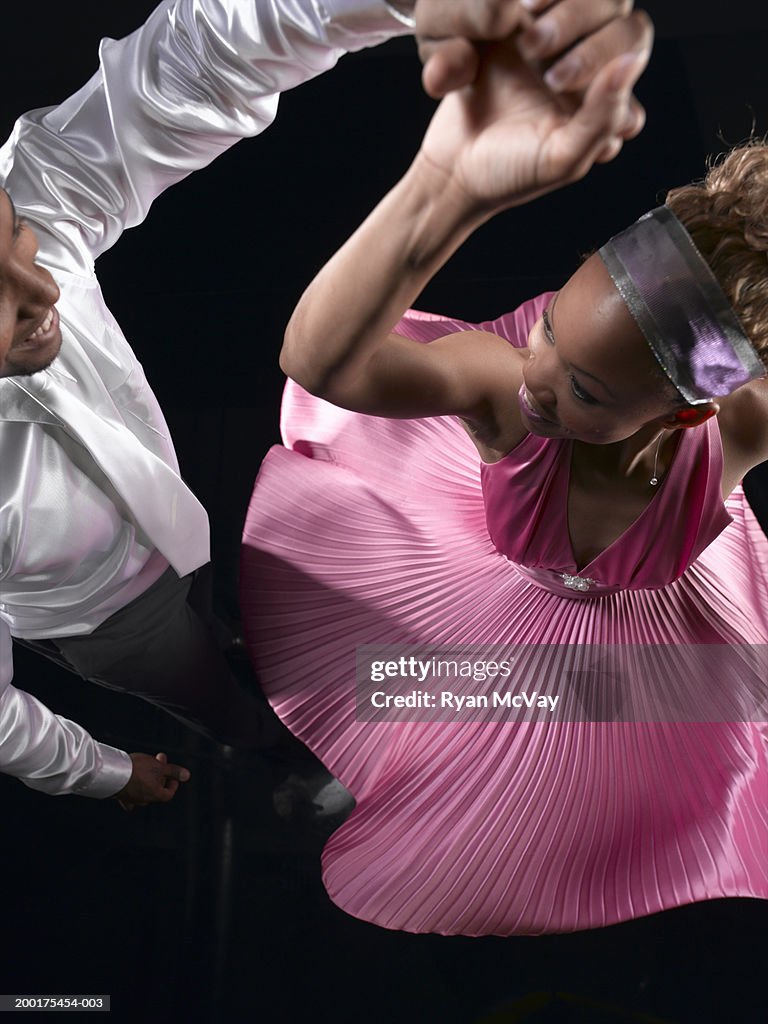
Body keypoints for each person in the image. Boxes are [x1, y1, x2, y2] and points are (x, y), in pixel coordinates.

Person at [4, 0, 647, 810]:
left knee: (262, 621)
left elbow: (198, 57)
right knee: (220, 699)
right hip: (109, 622)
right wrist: (112, 772)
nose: (42, 286)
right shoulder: (494, 381)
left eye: (16, 240)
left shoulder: (30, 206)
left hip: (178, 521)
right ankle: (274, 747)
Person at [240, 15, 768, 935]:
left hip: (642, 637)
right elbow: (321, 363)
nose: (536, 372)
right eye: (550, 329)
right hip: (489, 592)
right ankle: (351, 783)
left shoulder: (740, 427)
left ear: (688, 413)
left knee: (621, 794)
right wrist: (446, 192)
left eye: (585, 390)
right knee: (416, 702)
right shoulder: (509, 407)